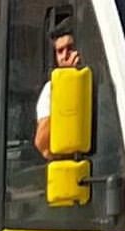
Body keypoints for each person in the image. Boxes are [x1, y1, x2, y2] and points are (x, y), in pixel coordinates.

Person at [35, 13, 82, 159]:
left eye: (70, 48)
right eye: (59, 51)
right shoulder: (51, 89)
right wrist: (67, 82)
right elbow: (43, 144)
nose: (64, 56)